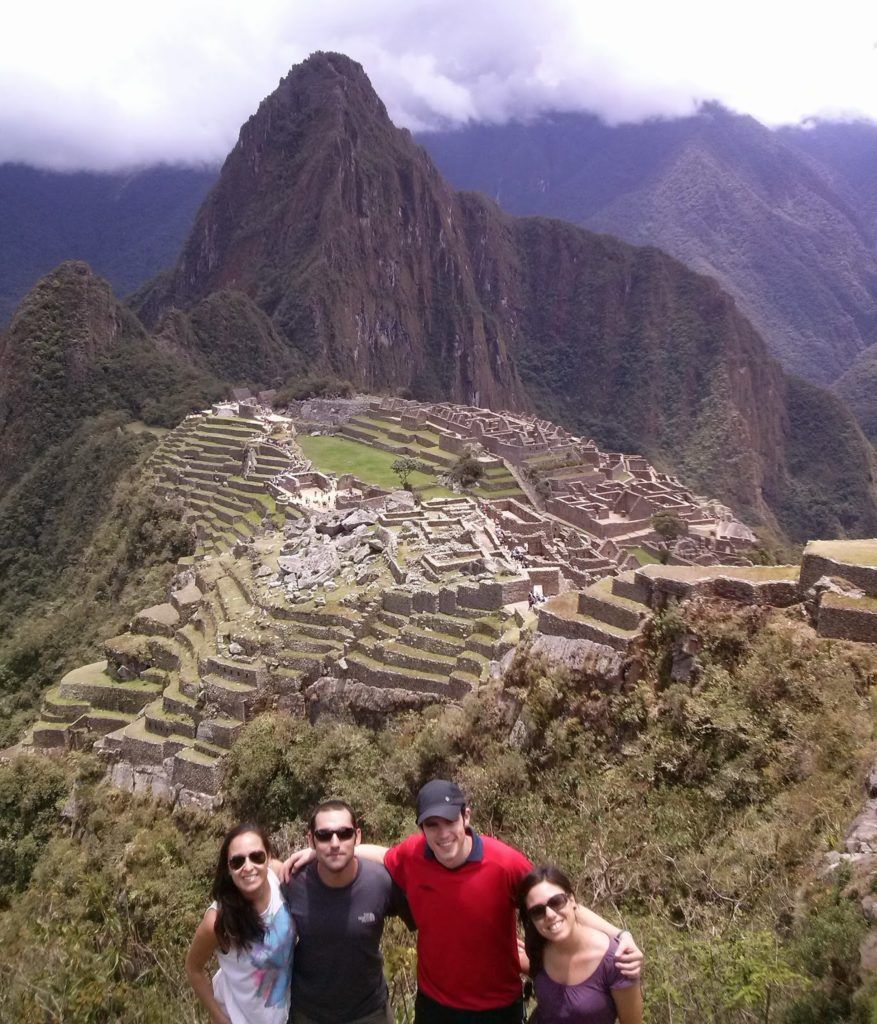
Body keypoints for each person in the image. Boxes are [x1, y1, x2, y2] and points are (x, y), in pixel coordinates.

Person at [282, 780, 642, 1024]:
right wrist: (323, 851)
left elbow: (557, 900)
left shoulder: (503, 863)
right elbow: (384, 854)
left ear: (466, 817)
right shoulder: (413, 855)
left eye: (450, 821)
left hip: (498, 1007)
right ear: (422, 829)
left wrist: (619, 934)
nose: (442, 834)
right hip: (435, 1006)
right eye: (432, 825)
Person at [281, 799, 414, 1024]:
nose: (335, 843)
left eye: (344, 833)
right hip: (309, 1013)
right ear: (310, 840)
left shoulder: (381, 882)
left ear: (357, 836)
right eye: (324, 835)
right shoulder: (292, 882)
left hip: (370, 1012)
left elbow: (426, 918)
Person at [187, 823, 295, 1024]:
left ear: (268, 857)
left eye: (256, 856)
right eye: (237, 861)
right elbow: (193, 968)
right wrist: (218, 1017)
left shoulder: (279, 877)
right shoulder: (218, 921)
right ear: (228, 868)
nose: (248, 867)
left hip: (285, 1016)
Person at [518, 865, 643, 1024]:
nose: (549, 914)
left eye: (556, 902)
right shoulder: (537, 947)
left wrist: (623, 934)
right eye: (537, 911)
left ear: (572, 900)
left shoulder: (617, 960)